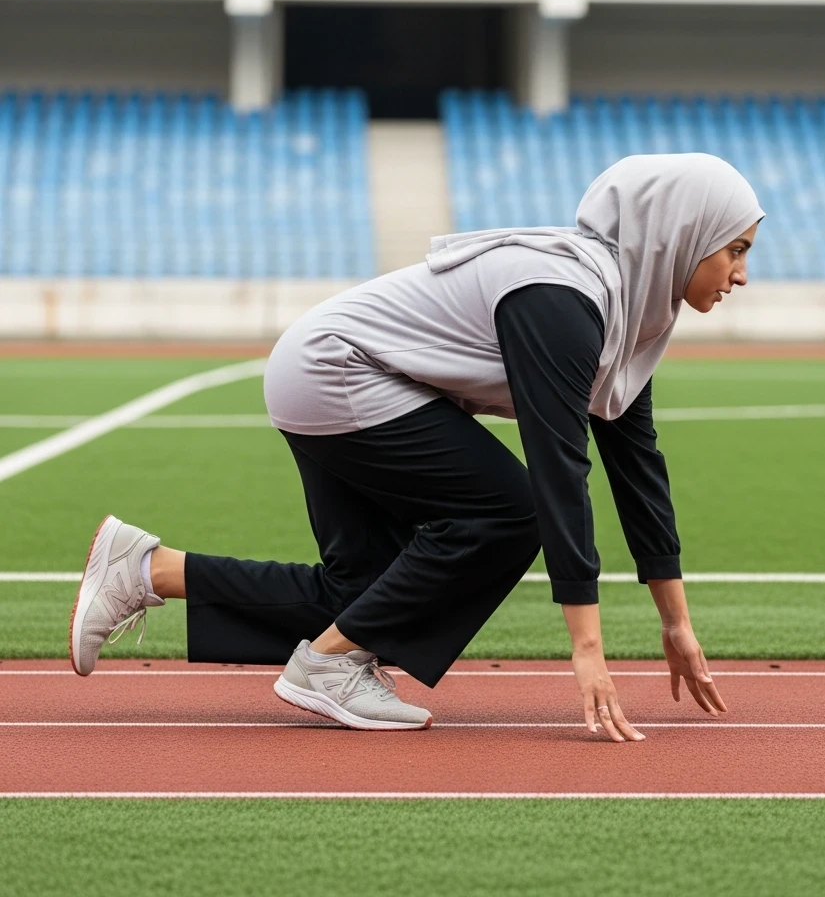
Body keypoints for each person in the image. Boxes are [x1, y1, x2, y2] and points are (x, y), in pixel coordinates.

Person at [69, 152, 763, 740]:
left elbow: (637, 470)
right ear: (679, 234)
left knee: (365, 596)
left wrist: (677, 625)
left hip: (330, 373)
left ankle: (146, 569)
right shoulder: (563, 296)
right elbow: (560, 469)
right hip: (339, 372)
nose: (740, 275)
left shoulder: (621, 312)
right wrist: (588, 650)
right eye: (735, 249)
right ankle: (329, 666)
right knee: (515, 511)